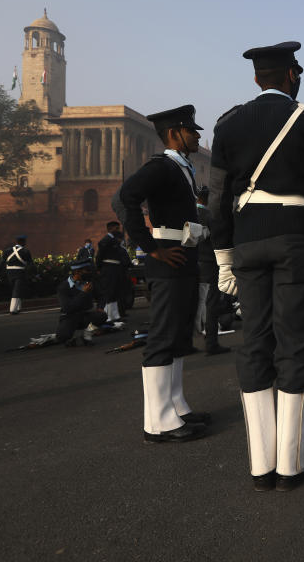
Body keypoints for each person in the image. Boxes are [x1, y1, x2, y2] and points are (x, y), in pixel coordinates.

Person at [210, 42, 304, 490]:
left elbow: (216, 198)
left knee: (254, 342)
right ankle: (292, 462)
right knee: (294, 342)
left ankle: (261, 465)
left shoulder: (227, 123)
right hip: (295, 236)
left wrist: (222, 257)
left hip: (248, 239)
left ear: (257, 79)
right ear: (292, 75)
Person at [113, 104, 210, 445]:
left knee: (179, 334)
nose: (198, 135)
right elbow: (124, 197)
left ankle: (176, 406)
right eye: (191, 130)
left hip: (182, 256)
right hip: (166, 259)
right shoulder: (162, 166)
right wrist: (149, 246)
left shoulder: (181, 168)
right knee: (163, 336)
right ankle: (157, 421)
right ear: (173, 134)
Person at [194, 187, 231, 356]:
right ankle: (211, 343)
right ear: (208, 200)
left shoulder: (190, 213)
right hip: (210, 262)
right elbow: (218, 239)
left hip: (192, 263)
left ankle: (188, 340)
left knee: (193, 302)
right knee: (212, 303)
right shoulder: (210, 216)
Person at [56, 258, 108, 346]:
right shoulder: (64, 287)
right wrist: (83, 293)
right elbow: (68, 307)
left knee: (102, 316)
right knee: (62, 337)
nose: (89, 273)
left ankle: (86, 335)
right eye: (86, 271)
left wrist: (100, 307)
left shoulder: (88, 283)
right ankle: (72, 339)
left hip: (85, 316)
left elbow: (101, 295)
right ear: (77, 272)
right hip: (69, 316)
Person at [96, 222, 128, 323]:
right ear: (110, 229)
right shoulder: (106, 240)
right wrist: (99, 268)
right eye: (116, 228)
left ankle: (115, 315)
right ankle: (108, 316)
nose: (118, 230)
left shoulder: (114, 240)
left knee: (115, 292)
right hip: (108, 268)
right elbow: (99, 256)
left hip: (115, 268)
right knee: (109, 292)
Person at [0, 235, 33, 314]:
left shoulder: (7, 251)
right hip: (20, 272)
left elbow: (2, 263)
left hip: (9, 272)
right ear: (24, 242)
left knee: (15, 289)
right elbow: (31, 264)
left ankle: (18, 308)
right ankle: (13, 309)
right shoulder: (25, 251)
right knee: (17, 290)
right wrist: (34, 274)